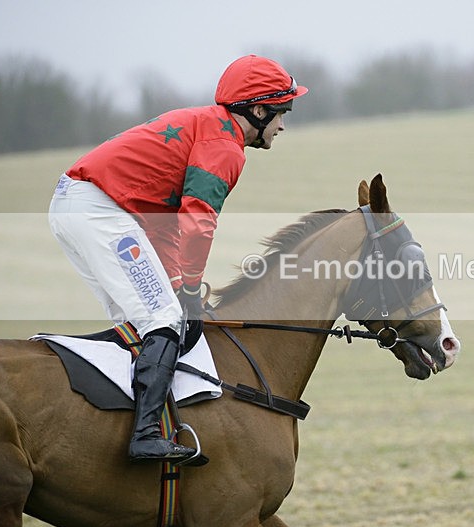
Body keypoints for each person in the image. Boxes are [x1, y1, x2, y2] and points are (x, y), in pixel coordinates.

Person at [48, 55, 308, 462]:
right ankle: (145, 436)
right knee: (164, 318)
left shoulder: (208, 126)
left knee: (144, 320)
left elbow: (165, 225)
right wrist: (188, 290)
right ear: (259, 111)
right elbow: (197, 221)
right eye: (281, 113)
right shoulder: (224, 147)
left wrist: (177, 284)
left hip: (79, 204)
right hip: (98, 209)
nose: (282, 126)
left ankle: (121, 428)